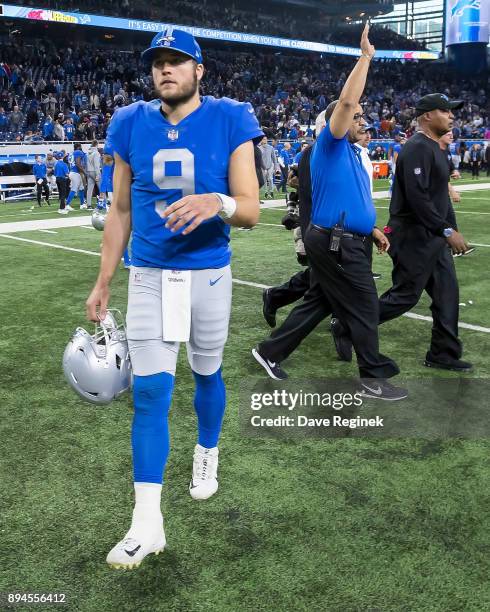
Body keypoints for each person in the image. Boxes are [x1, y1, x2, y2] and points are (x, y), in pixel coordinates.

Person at [85, 28, 262, 569]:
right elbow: (119, 210)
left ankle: (206, 451)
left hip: (208, 274)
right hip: (150, 275)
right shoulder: (129, 122)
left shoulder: (231, 116)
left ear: (198, 70)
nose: (166, 70)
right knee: (151, 394)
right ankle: (146, 523)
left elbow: (252, 210)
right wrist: (104, 279)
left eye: (177, 61)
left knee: (206, 373)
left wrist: (218, 202)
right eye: (158, 62)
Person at [303, 24, 404, 400]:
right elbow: (345, 104)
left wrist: (373, 228)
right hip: (335, 241)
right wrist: (365, 58)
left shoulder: (353, 153)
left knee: (349, 303)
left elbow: (355, 201)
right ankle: (372, 376)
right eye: (357, 116)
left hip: (346, 237)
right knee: (363, 305)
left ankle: (273, 351)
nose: (362, 120)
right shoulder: (329, 145)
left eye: (363, 117)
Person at [378, 93, 472, 372]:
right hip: (413, 236)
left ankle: (443, 353)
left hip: (432, 236)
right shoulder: (417, 147)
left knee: (447, 294)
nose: (452, 115)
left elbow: (438, 197)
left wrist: (451, 230)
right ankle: (348, 322)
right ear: (427, 115)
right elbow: (418, 199)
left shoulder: (435, 148)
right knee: (406, 295)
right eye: (445, 110)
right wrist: (446, 231)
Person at [65, 143, 87, 210]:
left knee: (81, 188)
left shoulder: (71, 153)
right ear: (79, 147)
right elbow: (77, 163)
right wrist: (84, 172)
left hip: (73, 172)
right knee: (74, 189)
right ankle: (67, 205)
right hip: (76, 173)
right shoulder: (78, 152)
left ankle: (82, 204)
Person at [86, 139, 101, 209]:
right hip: (95, 171)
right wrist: (98, 174)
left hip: (89, 171)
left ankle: (88, 205)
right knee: (101, 188)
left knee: (89, 189)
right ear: (97, 144)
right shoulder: (96, 153)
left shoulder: (88, 152)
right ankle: (103, 202)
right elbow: (96, 165)